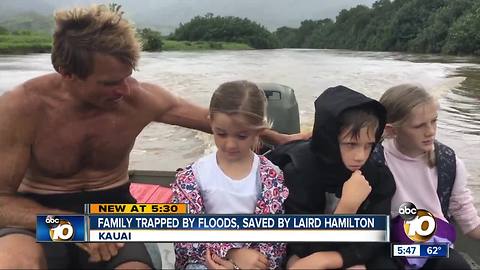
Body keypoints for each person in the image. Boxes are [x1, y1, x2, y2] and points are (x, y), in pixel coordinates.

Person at [0, 5, 299, 269]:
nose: (126, 90)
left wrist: (280, 139)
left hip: (114, 211)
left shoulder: (137, 98)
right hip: (39, 216)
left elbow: (226, 121)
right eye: (111, 83)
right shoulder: (22, 107)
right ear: (66, 73)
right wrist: (75, 228)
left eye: (128, 75)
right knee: (15, 262)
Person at [268, 85, 398, 269]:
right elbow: (300, 243)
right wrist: (346, 209)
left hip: (350, 251)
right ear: (329, 140)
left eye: (368, 145)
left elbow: (378, 237)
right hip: (306, 249)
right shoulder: (298, 172)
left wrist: (331, 259)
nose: (361, 156)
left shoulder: (376, 176)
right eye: (351, 144)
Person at [171, 80, 289, 270]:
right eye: (221, 134)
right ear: (211, 124)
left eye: (241, 136)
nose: (230, 144)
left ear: (259, 131)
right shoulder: (192, 177)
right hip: (204, 262)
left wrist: (250, 263)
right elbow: (185, 235)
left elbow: (275, 239)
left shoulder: (270, 177)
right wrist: (230, 253)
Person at [372, 83, 480, 269]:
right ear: (391, 130)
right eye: (419, 126)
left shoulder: (449, 163)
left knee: (454, 265)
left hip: (432, 243)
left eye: (434, 121)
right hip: (386, 245)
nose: (430, 131)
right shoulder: (373, 160)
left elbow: (465, 215)